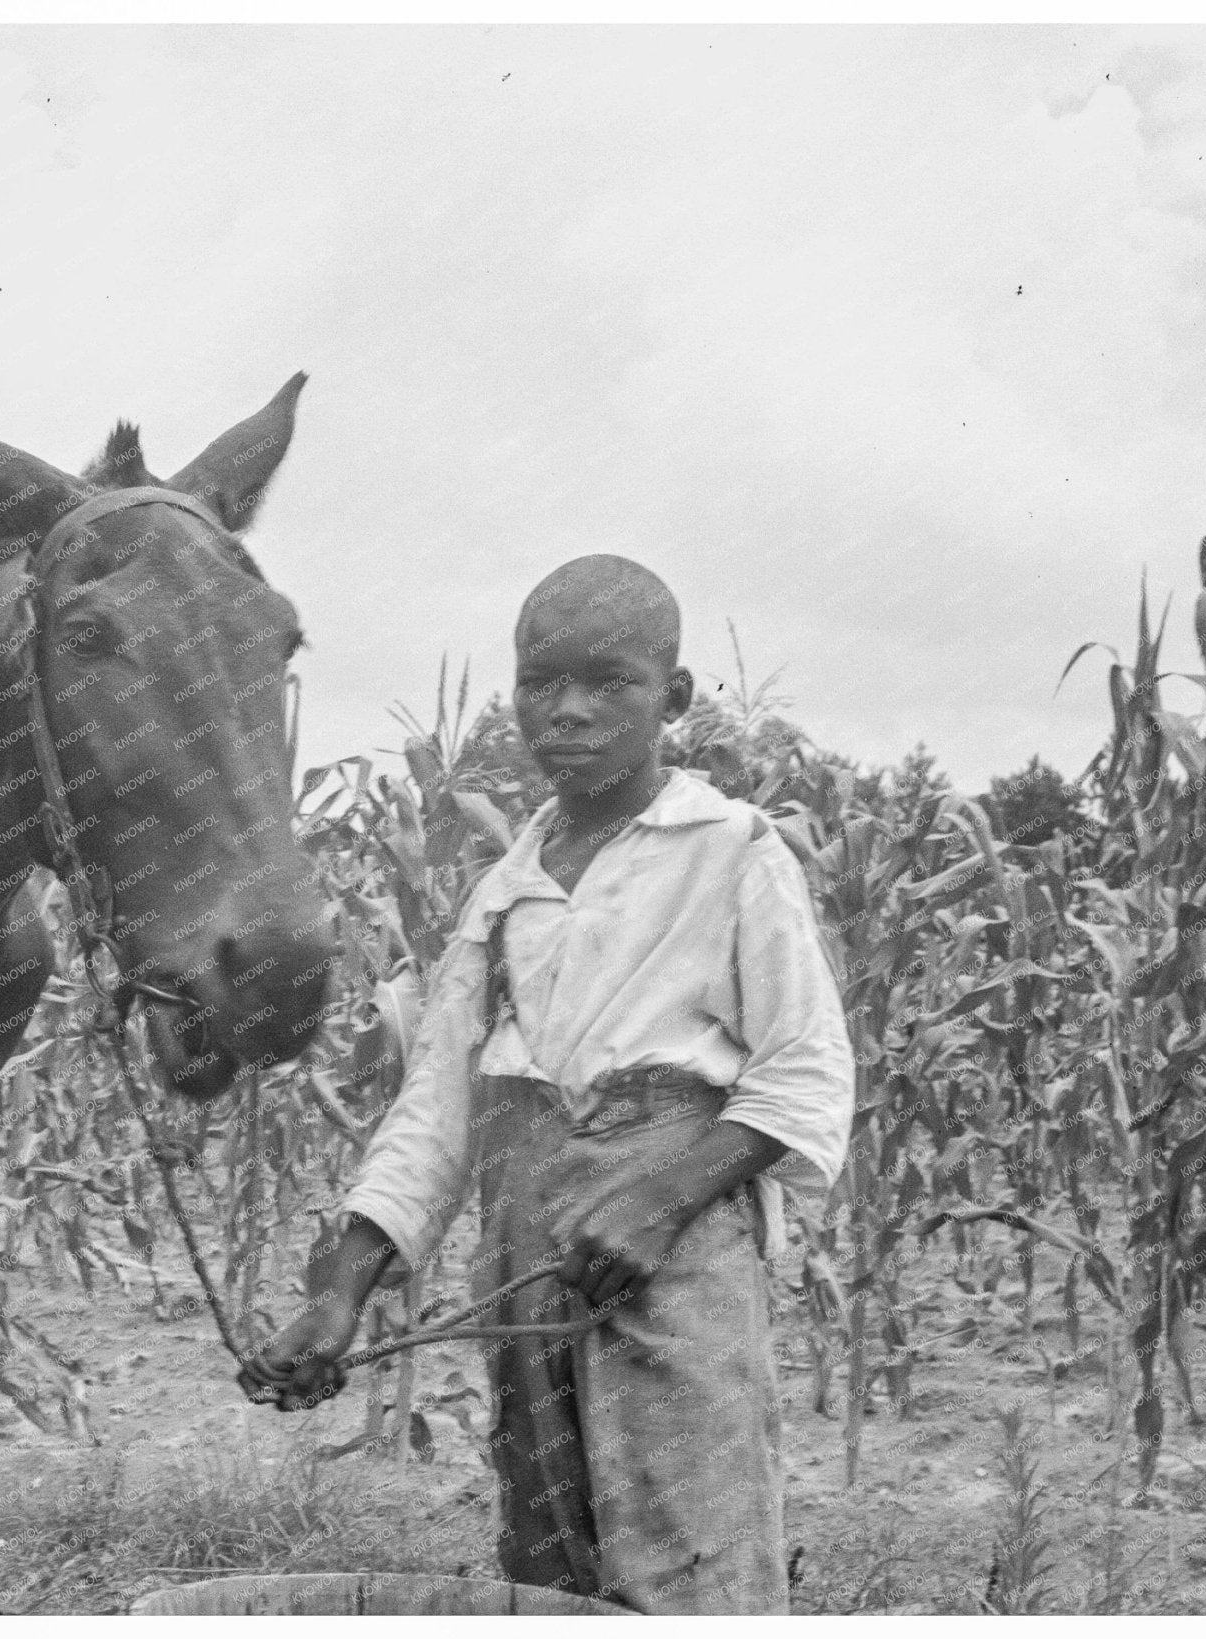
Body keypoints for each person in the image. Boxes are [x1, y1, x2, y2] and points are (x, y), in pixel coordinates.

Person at [240, 555, 855, 1614]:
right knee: (546, 1556)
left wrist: (658, 1200)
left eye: (607, 682)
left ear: (673, 697)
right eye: (539, 681)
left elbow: (802, 1072)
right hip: (526, 1241)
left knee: (686, 1546)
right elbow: (435, 1110)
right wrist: (337, 1293)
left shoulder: (729, 852)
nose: (565, 710)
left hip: (673, 1234)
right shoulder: (504, 888)